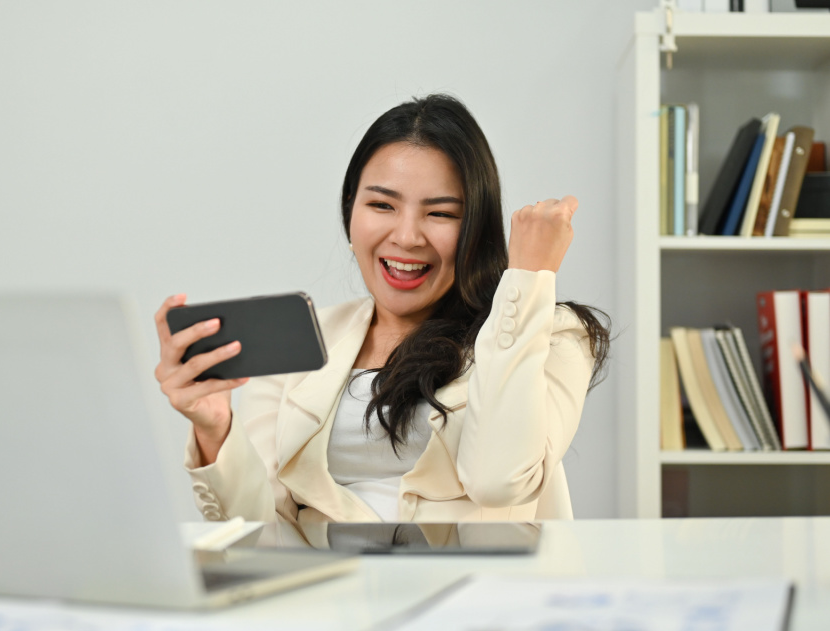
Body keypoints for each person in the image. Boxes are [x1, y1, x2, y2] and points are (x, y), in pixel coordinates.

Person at [153, 94, 610, 524]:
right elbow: (264, 530)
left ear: (475, 227)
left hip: (477, 599)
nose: (407, 236)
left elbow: (498, 482)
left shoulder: (547, 333)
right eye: (382, 204)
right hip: (330, 598)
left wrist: (527, 279)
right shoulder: (304, 341)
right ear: (350, 213)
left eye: (441, 213)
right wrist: (215, 429)